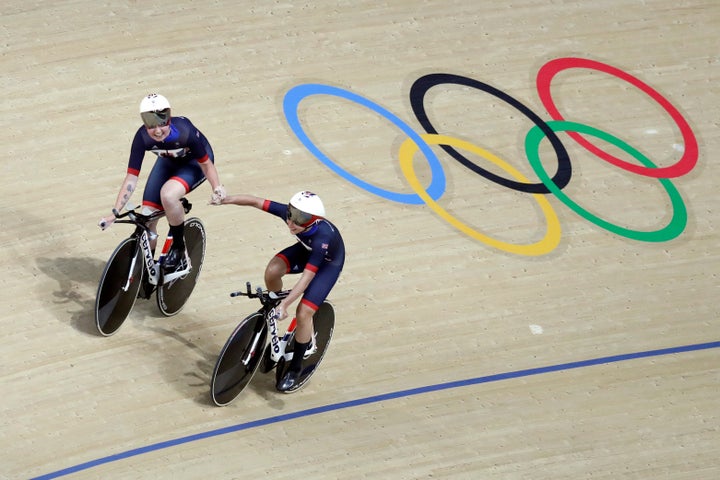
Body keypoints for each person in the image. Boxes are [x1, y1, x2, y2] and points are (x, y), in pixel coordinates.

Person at [216, 190, 345, 392]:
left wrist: (286, 305)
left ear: (314, 220)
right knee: (272, 271)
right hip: (306, 251)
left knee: (303, 312)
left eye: (299, 219)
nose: (292, 222)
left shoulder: (322, 239)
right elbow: (256, 201)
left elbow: (306, 280)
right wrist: (226, 200)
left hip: (327, 264)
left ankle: (295, 368)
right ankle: (276, 307)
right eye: (291, 214)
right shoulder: (294, 215)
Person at [98, 93, 225, 279]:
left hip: (194, 165)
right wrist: (114, 213)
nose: (157, 131)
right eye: (151, 125)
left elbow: (206, 164)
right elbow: (131, 178)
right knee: (147, 219)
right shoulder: (142, 137)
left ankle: (179, 248)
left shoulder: (184, 131)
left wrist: (217, 188)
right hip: (167, 163)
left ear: (169, 118)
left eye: (162, 124)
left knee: (168, 195)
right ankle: (146, 275)